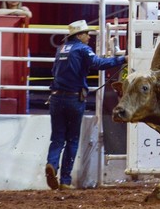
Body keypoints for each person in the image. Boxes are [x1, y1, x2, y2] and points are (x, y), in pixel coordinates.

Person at [45, 19, 127, 190]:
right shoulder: (82, 49)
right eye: (86, 34)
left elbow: (54, 72)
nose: (89, 37)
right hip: (73, 98)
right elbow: (98, 64)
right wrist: (122, 59)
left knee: (57, 137)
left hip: (56, 97)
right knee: (72, 139)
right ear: (79, 35)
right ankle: (65, 180)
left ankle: (52, 164)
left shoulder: (61, 49)